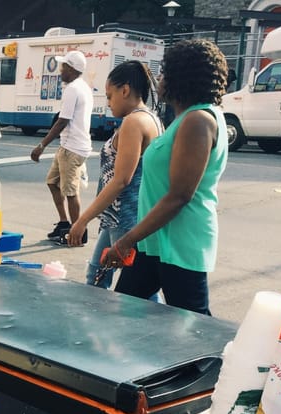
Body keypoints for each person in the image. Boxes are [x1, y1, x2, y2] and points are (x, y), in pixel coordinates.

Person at [98, 39, 229, 316]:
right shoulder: (187, 120)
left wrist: (125, 240)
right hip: (155, 241)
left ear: (181, 77)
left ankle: (222, 361)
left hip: (180, 243)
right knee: (123, 312)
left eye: (164, 72)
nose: (159, 78)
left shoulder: (198, 121)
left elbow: (179, 195)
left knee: (194, 327)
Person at [66, 61, 162, 289]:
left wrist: (82, 220)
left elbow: (121, 180)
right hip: (121, 216)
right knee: (98, 276)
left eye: (109, 96)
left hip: (124, 217)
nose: (108, 103)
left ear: (125, 90)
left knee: (134, 289)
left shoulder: (134, 122)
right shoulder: (152, 118)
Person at [30, 49, 93, 242]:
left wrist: (41, 145)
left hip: (72, 149)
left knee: (71, 192)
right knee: (52, 182)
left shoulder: (73, 89)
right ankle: (64, 223)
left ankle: (78, 233)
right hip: (68, 146)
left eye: (63, 66)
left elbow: (62, 121)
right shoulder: (82, 87)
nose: (60, 71)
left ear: (72, 69)